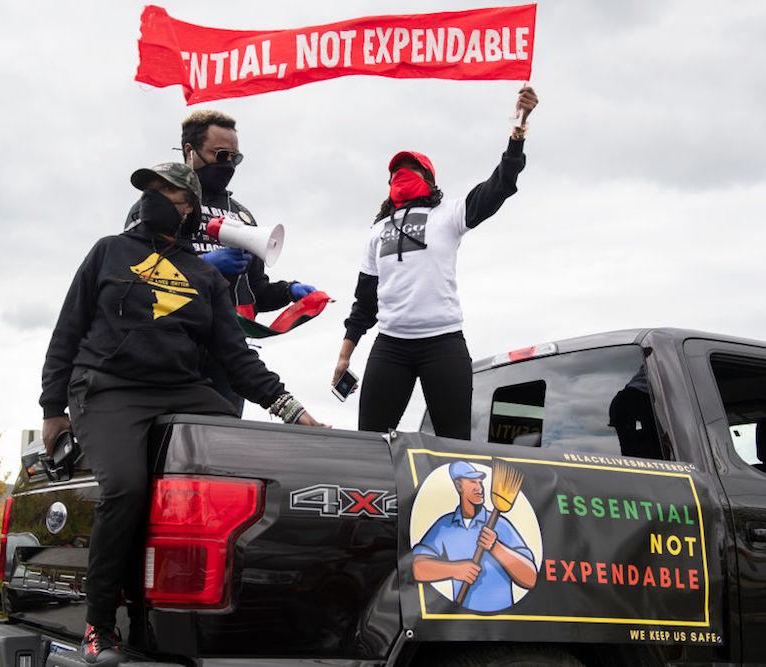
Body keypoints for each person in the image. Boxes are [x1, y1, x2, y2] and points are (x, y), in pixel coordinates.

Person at [42, 162, 325, 665]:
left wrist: (293, 412)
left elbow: (238, 358)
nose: (154, 196)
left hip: (179, 388)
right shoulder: (108, 251)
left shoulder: (204, 275)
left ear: (189, 205)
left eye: (167, 190)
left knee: (240, 453)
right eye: (150, 189)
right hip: (107, 388)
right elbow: (68, 329)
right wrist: (52, 408)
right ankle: (99, 625)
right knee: (125, 487)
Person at [333, 84, 539, 440]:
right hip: (391, 345)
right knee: (369, 444)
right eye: (397, 171)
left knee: (455, 444)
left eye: (412, 169)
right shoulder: (377, 231)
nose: (403, 174)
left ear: (429, 180)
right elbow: (364, 303)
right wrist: (343, 357)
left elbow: (500, 184)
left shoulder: (450, 214)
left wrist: (519, 129)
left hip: (442, 343)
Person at [124, 110, 319, 415]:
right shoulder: (155, 205)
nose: (228, 164)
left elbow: (255, 292)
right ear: (190, 151)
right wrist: (205, 265)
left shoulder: (242, 216)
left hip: (226, 351)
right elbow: (133, 274)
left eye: (235, 158)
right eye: (221, 154)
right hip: (169, 344)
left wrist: (290, 292)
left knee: (221, 442)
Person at [412, 461, 536, 612]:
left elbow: (530, 578)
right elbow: (417, 567)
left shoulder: (501, 525)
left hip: (502, 626)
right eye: (472, 482)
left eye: (480, 482)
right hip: (459, 625)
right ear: (459, 486)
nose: (480, 487)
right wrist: (455, 570)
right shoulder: (444, 526)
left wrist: (496, 547)